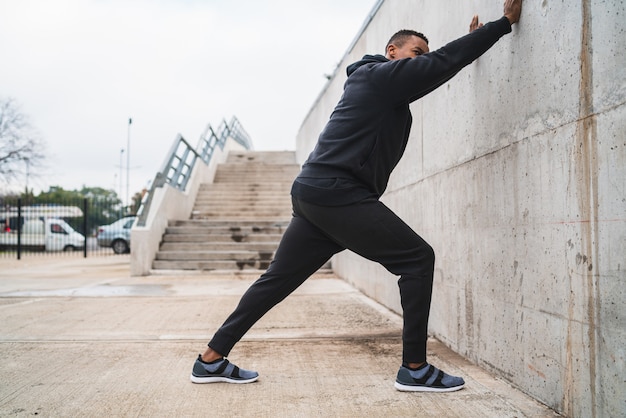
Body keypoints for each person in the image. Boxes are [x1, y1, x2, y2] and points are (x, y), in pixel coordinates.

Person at [191, 0, 523, 392]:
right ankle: (415, 368)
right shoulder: (377, 77)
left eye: (422, 56)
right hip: (337, 193)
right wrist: (501, 25)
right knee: (417, 259)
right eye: (415, 52)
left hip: (317, 195)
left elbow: (435, 71)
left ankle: (210, 360)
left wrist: (470, 47)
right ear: (392, 52)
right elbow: (439, 66)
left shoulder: (382, 87)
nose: (419, 60)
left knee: (276, 281)